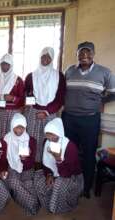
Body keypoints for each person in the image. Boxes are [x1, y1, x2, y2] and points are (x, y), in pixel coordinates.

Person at [62, 41, 115, 198]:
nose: (84, 56)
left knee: (88, 153)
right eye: (81, 53)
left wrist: (99, 101)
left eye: (88, 52)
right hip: (69, 119)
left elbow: (113, 92)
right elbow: (63, 91)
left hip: (90, 120)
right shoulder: (69, 71)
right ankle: (70, 182)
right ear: (76, 55)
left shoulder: (104, 72)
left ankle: (85, 186)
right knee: (69, 151)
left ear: (93, 54)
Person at [24, 47, 66, 164]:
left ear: (52, 59)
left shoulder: (59, 76)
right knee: (33, 140)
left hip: (50, 114)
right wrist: (30, 106)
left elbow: (60, 99)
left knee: (50, 140)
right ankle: (32, 164)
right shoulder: (31, 76)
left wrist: (46, 112)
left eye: (48, 57)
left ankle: (48, 167)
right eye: (43, 56)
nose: (45, 59)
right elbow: (27, 95)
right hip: (34, 113)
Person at [34, 118, 83, 214]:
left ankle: (60, 208)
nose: (50, 138)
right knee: (38, 179)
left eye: (53, 134)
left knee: (58, 184)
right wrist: (49, 174)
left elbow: (68, 173)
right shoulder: (46, 142)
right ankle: (49, 203)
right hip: (54, 172)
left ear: (59, 132)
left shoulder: (69, 146)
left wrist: (58, 158)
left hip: (71, 176)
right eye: (48, 134)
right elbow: (46, 163)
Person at [5, 113, 39, 215]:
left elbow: (31, 163)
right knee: (13, 181)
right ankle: (32, 203)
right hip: (12, 168)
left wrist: (24, 159)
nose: (19, 131)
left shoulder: (31, 140)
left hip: (27, 169)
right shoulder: (6, 139)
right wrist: (16, 159)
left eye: (22, 128)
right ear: (12, 127)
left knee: (27, 184)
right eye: (17, 128)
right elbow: (5, 159)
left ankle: (20, 198)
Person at [0, 53, 25, 139]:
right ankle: (2, 151)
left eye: (6, 64)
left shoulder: (18, 80)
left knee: (11, 136)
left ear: (11, 65)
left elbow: (22, 100)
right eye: (2, 64)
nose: (4, 66)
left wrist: (13, 98)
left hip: (13, 113)